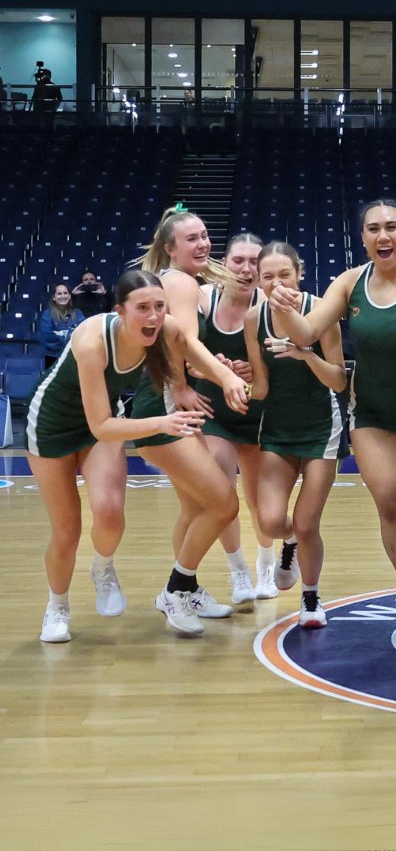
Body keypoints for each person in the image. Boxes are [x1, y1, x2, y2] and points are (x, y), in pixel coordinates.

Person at [266, 202, 396, 640]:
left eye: (391, 227)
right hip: (372, 415)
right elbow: (307, 333)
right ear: (362, 237)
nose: (383, 236)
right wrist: (283, 304)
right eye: (373, 229)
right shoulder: (350, 283)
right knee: (390, 500)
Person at [28, 271, 209, 642]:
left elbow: (195, 354)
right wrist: (164, 421)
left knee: (109, 514)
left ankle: (103, 567)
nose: (155, 315)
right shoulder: (93, 340)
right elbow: (100, 426)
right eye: (143, 307)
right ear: (120, 311)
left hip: (104, 423)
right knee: (67, 531)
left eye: (160, 306)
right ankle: (57, 606)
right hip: (53, 425)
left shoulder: (158, 329)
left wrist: (233, 378)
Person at [131, 206, 252, 634]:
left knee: (194, 506)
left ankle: (189, 589)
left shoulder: (182, 282)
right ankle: (175, 589)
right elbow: (173, 337)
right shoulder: (179, 281)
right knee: (223, 502)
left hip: (166, 399)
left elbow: (183, 343)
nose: (202, 244)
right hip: (164, 404)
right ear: (169, 249)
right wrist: (181, 385)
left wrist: (203, 368)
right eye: (191, 239)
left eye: (204, 236)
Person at [245, 242, 347, 628]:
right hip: (278, 426)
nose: (276, 283)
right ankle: (288, 544)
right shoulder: (254, 319)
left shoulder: (322, 311)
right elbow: (262, 387)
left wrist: (305, 353)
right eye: (267, 276)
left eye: (283, 274)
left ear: (299, 274)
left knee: (307, 524)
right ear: (258, 280)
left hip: (322, 426)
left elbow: (338, 380)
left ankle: (310, 598)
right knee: (271, 523)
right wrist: (225, 378)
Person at [191, 233, 278, 601]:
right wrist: (215, 370)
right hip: (215, 414)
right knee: (222, 493)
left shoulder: (271, 305)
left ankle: (266, 564)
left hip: (258, 412)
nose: (246, 269)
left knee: (261, 500)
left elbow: (283, 367)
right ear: (223, 263)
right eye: (238, 260)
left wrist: (255, 372)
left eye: (255, 262)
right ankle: (238, 571)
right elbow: (185, 356)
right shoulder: (202, 299)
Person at [37, 283, 85, 366]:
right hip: (53, 358)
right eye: (59, 293)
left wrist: (60, 334)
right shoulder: (47, 315)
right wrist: (69, 336)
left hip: (74, 358)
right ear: (53, 297)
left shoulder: (78, 314)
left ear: (70, 296)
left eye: (65, 293)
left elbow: (82, 335)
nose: (63, 296)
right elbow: (48, 338)